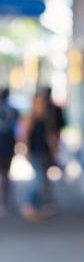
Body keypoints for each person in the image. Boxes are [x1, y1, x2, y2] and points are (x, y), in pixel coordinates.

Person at [21, 92, 58, 221]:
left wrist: (54, 149)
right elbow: (24, 136)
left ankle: (41, 205)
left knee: (44, 180)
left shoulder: (47, 117)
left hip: (45, 152)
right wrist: (25, 151)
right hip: (35, 152)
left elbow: (51, 135)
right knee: (38, 180)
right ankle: (29, 204)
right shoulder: (30, 117)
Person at [0, 87, 18, 216]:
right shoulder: (13, 110)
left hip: (5, 143)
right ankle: (6, 202)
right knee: (6, 174)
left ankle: (5, 202)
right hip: (8, 144)